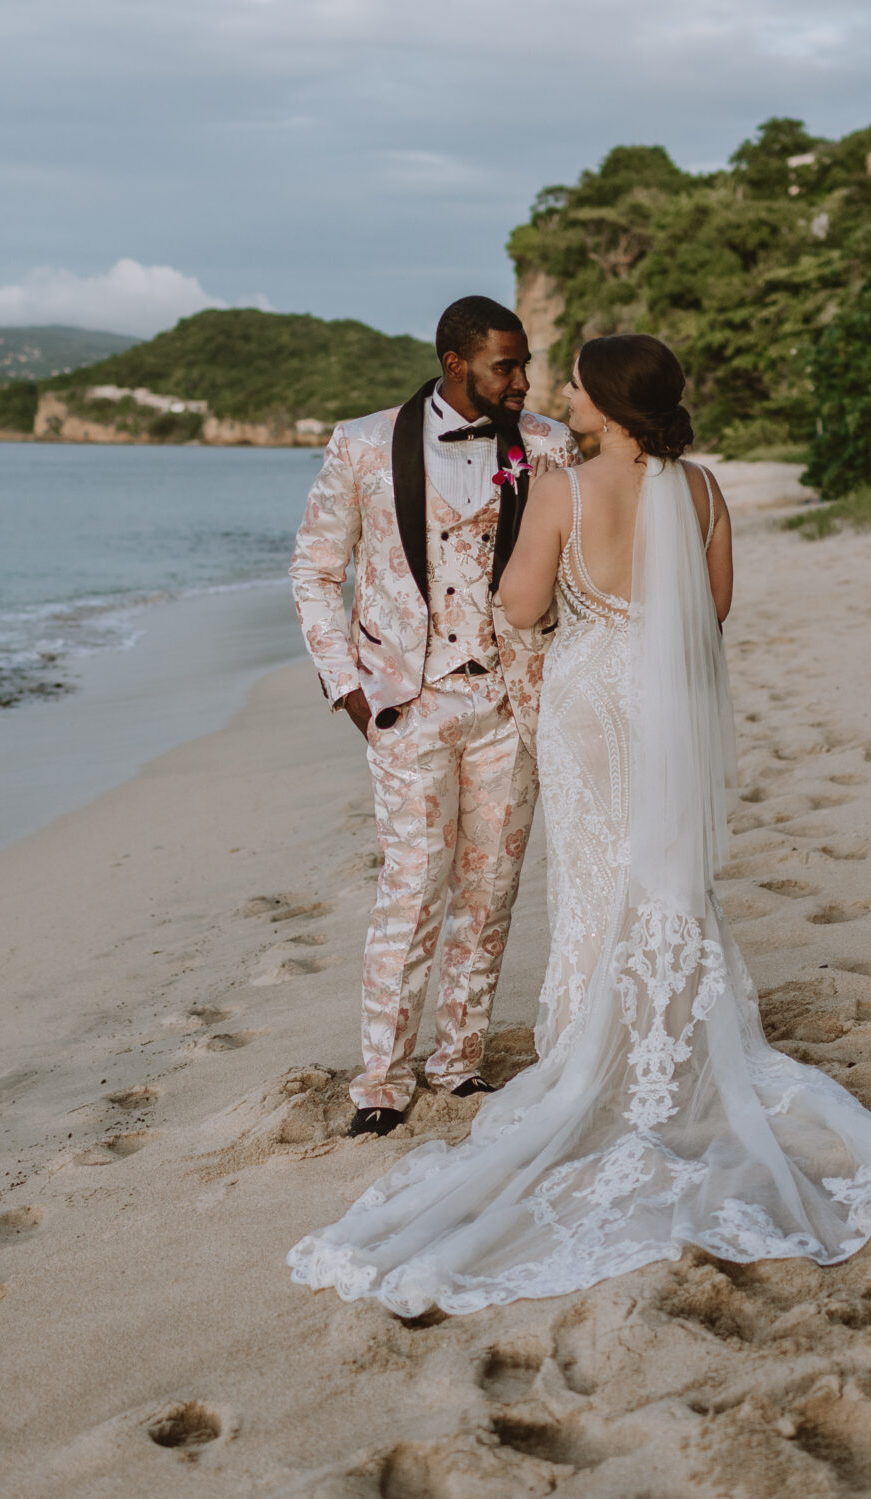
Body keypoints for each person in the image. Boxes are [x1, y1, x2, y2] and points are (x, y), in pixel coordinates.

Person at [288, 333, 871, 1317]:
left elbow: (517, 605)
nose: (562, 396)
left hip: (589, 697)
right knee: (667, 864)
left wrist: (534, 587)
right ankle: (680, 1033)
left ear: (608, 404)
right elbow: (710, 612)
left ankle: (594, 1046)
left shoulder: (564, 486)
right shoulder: (706, 491)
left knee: (596, 867)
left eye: (576, 386)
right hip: (666, 692)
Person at [289, 295, 581, 1138]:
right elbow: (314, 571)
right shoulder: (363, 443)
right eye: (507, 365)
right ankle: (380, 1079)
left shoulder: (551, 446)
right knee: (412, 888)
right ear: (458, 363)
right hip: (404, 703)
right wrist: (349, 687)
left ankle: (457, 1063)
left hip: (510, 701)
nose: (523, 380)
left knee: (490, 892)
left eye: (524, 364)